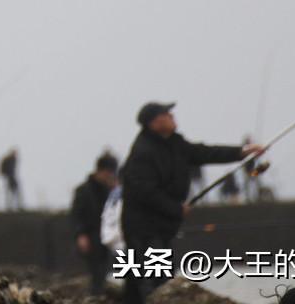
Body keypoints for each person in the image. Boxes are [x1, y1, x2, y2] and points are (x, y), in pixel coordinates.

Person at [120, 101, 263, 304]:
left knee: (150, 279)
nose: (172, 116)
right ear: (155, 122)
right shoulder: (142, 153)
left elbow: (205, 153)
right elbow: (145, 192)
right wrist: (176, 209)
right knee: (148, 280)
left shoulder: (175, 143)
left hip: (161, 226)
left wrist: (242, 151)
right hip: (141, 230)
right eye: (166, 114)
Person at [70, 152, 119, 295]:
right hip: (92, 236)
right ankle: (96, 296)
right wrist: (81, 235)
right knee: (97, 272)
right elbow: (76, 215)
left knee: (106, 271)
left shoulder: (111, 190)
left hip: (109, 237)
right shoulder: (84, 191)